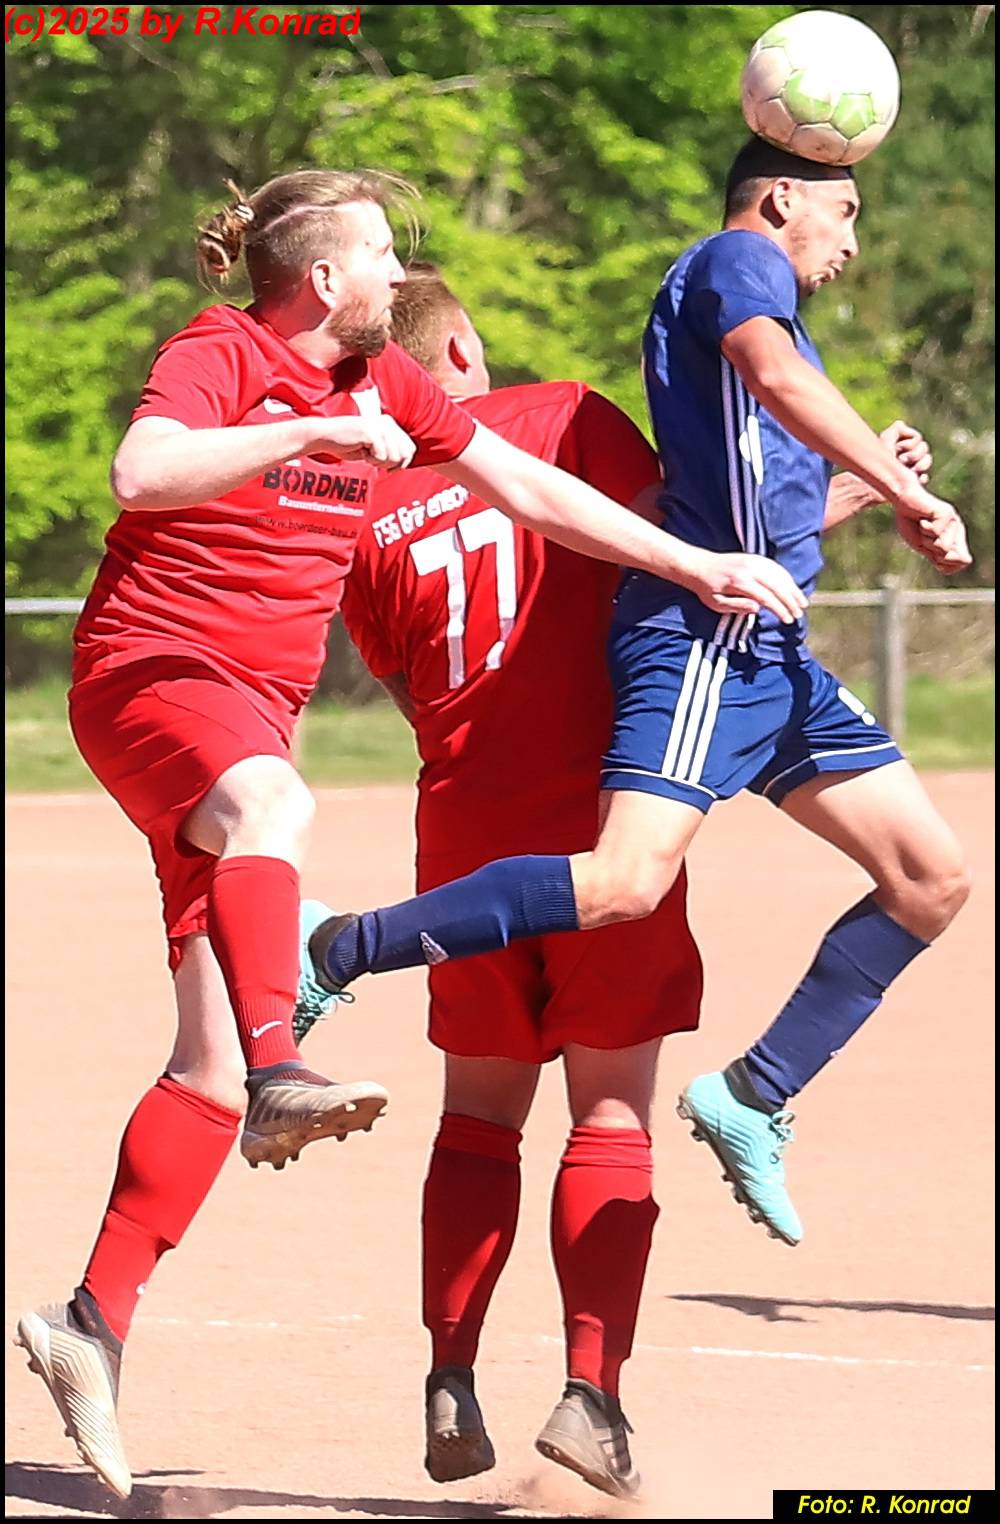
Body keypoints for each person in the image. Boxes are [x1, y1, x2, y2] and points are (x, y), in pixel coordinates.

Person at [16, 167, 805, 1502]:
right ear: (324, 278)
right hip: (156, 673)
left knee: (203, 1064)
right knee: (279, 813)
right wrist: (311, 432)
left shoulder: (388, 381)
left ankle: (89, 1321)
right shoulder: (225, 351)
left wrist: (694, 564)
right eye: (382, 252)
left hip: (248, 721)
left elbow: (532, 492)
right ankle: (287, 1066)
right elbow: (139, 471)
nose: (400, 271)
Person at [301, 138, 972, 1253]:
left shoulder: (391, 500)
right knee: (621, 886)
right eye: (845, 210)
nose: (852, 241)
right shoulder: (735, 263)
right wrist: (900, 488)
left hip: (766, 651)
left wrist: (850, 493)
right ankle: (341, 946)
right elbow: (768, 384)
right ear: (782, 198)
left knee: (930, 878)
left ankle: (754, 1092)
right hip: (710, 645)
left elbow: (695, 516)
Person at [308, 262, 704, 1499]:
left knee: (478, 1120)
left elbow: (401, 681)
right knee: (610, 1114)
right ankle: (591, 1396)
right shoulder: (563, 415)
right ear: (462, 350)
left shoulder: (366, 505)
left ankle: (450, 1375)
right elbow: (672, 548)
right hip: (602, 823)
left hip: (462, 841)